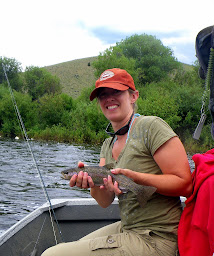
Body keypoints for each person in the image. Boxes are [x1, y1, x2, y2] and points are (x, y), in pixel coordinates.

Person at [42, 68, 193, 256]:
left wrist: (137, 179)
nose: (109, 98)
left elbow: (186, 185)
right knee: (67, 247)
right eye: (103, 95)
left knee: (52, 255)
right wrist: (92, 184)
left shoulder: (151, 127)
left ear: (133, 96)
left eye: (116, 92)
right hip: (129, 228)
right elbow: (105, 201)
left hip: (158, 238)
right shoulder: (108, 144)